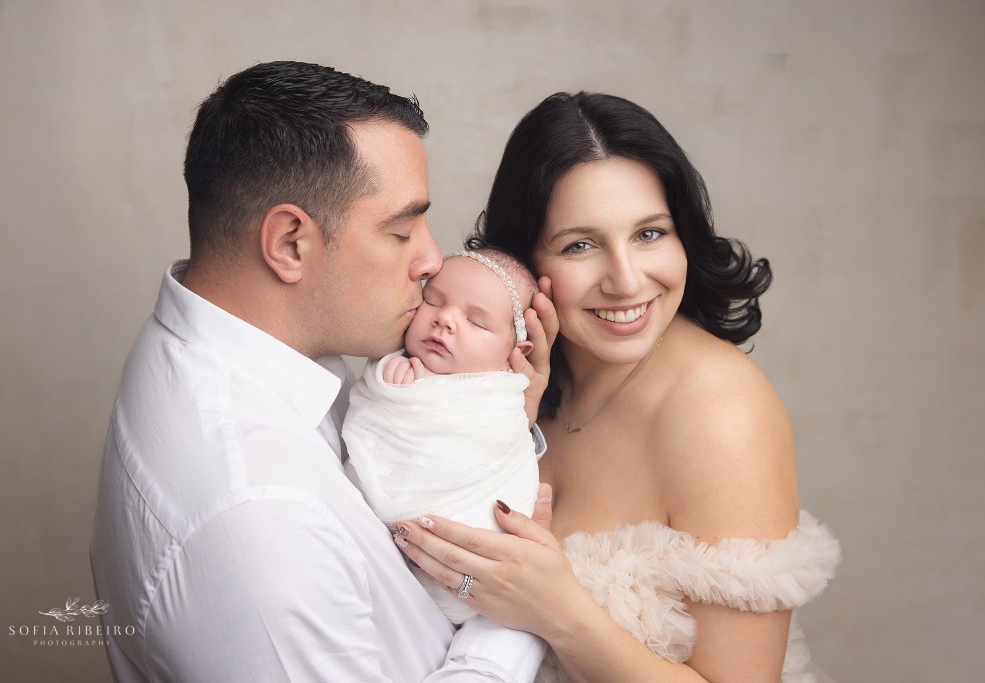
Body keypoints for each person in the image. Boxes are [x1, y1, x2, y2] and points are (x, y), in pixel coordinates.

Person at [89, 61, 558, 682]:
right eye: (400, 230)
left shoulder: (230, 349)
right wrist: (518, 611)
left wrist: (496, 415)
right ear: (289, 243)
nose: (429, 259)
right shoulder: (258, 522)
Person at [393, 92, 841, 682]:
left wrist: (560, 613)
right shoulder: (489, 374)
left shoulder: (720, 413)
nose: (627, 281)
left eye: (650, 234)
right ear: (525, 260)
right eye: (580, 245)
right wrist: (511, 416)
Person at [344, 249, 541, 623]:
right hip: (372, 555)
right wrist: (391, 378)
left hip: (468, 573)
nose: (445, 320)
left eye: (477, 322)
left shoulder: (500, 404)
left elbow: (489, 453)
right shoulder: (394, 363)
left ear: (515, 353)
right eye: (432, 301)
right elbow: (372, 416)